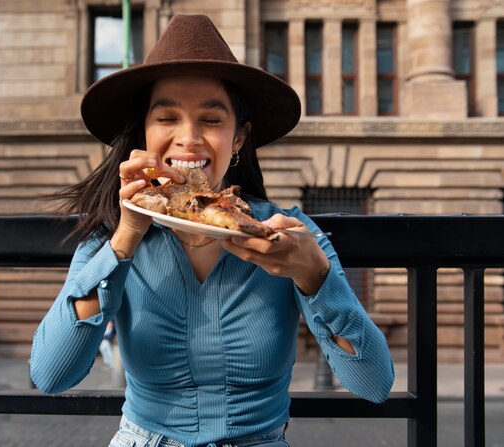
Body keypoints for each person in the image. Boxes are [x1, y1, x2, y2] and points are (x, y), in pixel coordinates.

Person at [30, 14, 394, 447]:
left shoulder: (286, 232)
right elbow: (52, 374)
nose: (189, 138)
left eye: (212, 119)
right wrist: (127, 234)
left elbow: (373, 384)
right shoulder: (111, 237)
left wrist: (316, 278)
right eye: (166, 117)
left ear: (239, 139)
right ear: (144, 134)